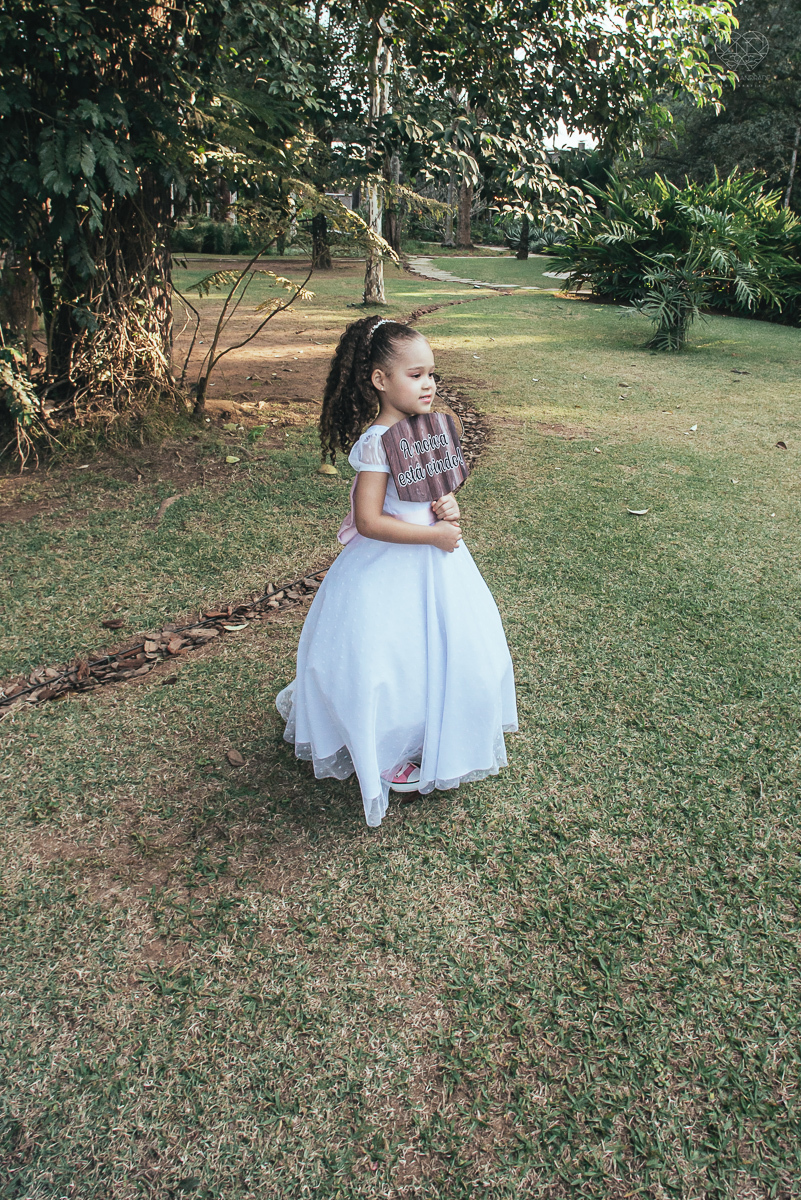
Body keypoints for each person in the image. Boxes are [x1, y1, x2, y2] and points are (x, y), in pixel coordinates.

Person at [276, 315, 517, 827]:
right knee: (393, 655)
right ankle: (387, 747)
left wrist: (445, 505)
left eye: (432, 374)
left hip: (438, 562)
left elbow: (428, 488)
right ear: (380, 380)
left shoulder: (421, 432)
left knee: (446, 646)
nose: (428, 384)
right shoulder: (377, 442)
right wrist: (433, 534)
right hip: (390, 566)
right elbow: (368, 519)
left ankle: (437, 727)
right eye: (415, 375)